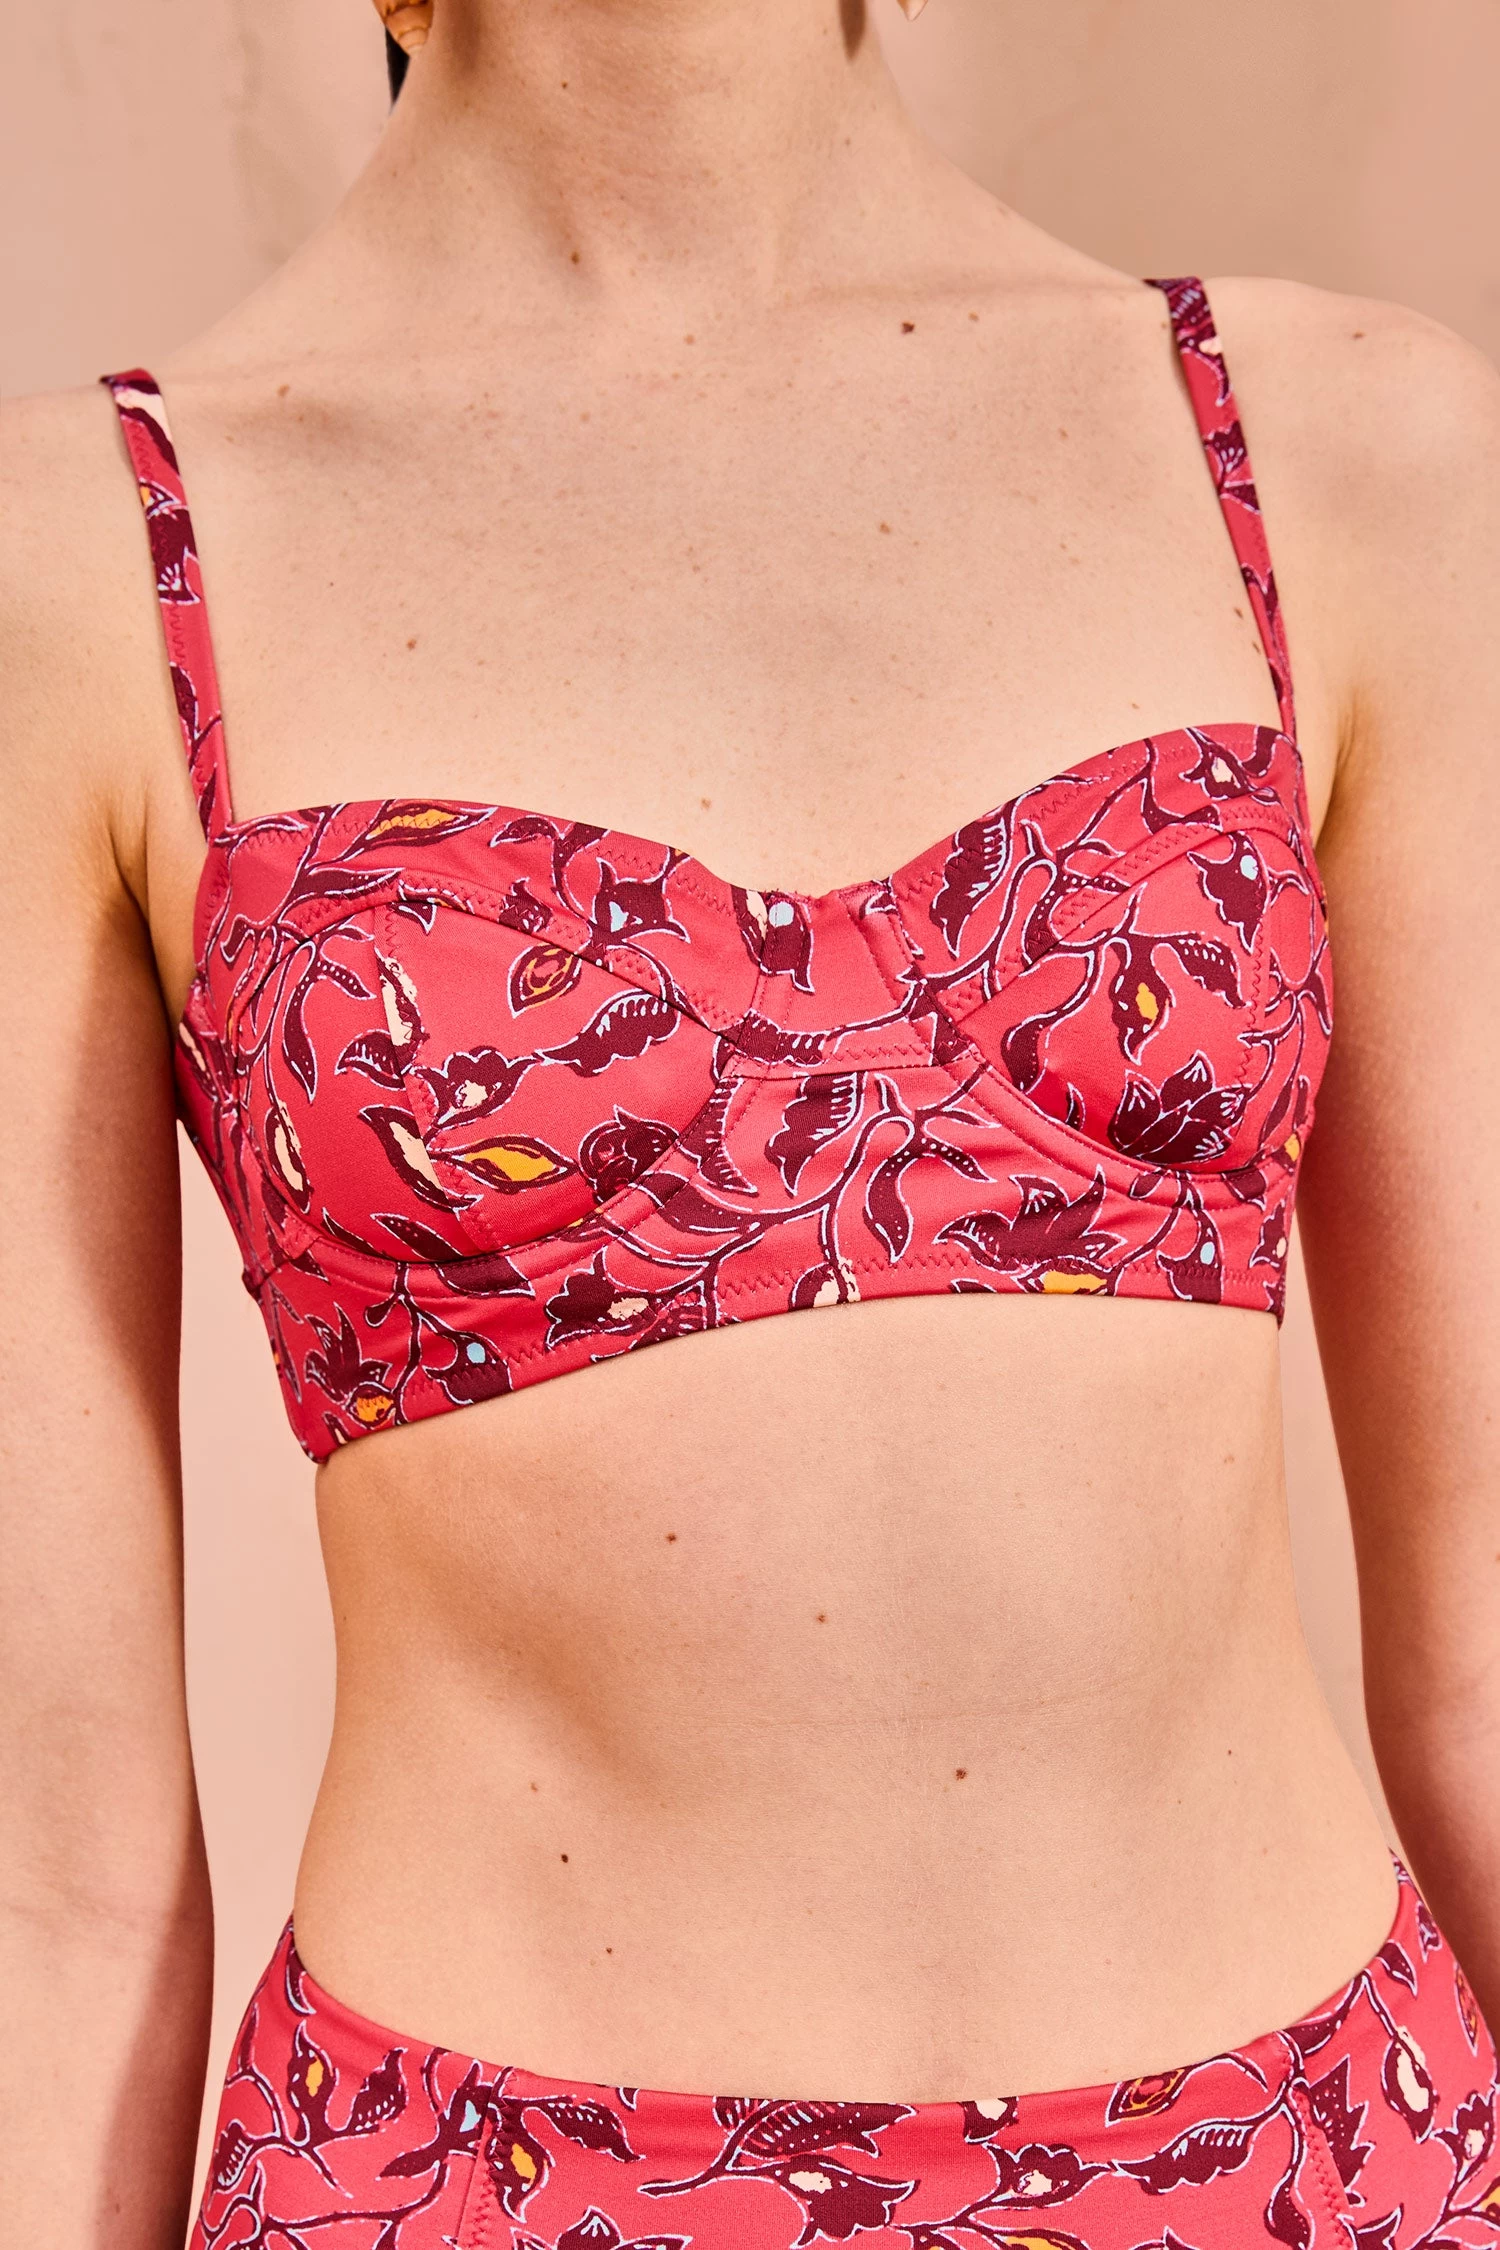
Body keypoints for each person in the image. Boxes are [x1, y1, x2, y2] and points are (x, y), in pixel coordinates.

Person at [3, 0, 1498, 2243]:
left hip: (1326, 2174)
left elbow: (1486, 1653)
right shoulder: (76, 562)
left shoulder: (1344, 446)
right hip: (484, 2199)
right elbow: (58, 1883)